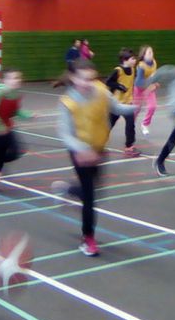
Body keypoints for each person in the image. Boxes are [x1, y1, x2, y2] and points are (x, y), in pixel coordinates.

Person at [52, 59, 135, 257]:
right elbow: (65, 133)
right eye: (83, 78)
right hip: (79, 153)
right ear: (73, 77)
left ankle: (68, 189)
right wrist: (82, 149)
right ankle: (87, 238)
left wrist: (133, 107)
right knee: (90, 198)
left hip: (98, 149)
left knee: (96, 192)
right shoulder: (67, 102)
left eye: (91, 78)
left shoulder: (100, 89)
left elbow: (116, 107)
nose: (88, 82)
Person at [106, 48, 139, 157]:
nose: (135, 61)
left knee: (130, 125)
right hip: (116, 103)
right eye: (133, 59)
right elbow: (109, 82)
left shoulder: (133, 69)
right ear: (125, 60)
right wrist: (119, 86)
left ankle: (129, 146)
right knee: (109, 125)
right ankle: (97, 142)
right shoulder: (118, 70)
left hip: (127, 103)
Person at [133, 45, 159, 137]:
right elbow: (139, 82)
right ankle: (131, 124)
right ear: (143, 55)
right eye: (149, 52)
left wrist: (155, 83)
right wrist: (151, 83)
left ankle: (145, 124)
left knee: (152, 106)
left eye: (152, 52)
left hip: (149, 88)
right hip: (139, 88)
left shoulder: (154, 62)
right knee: (136, 109)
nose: (151, 54)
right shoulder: (141, 66)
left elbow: (154, 76)